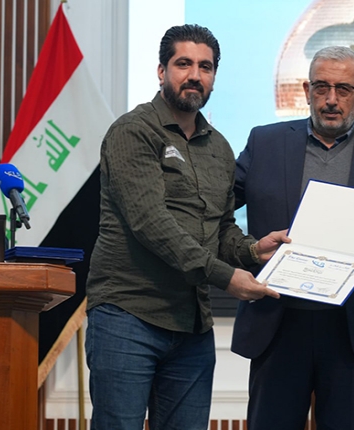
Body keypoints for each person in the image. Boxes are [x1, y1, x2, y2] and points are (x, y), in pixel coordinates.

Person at [85, 24, 288, 430]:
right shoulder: (133, 131)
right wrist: (227, 277)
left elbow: (221, 228)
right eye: (183, 64)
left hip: (192, 326)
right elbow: (151, 223)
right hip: (128, 316)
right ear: (162, 71)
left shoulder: (220, 148)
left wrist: (253, 250)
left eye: (205, 67)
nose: (195, 75)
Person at [231, 46, 354, 430]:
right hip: (278, 322)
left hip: (353, 327)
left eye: (343, 89)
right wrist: (244, 251)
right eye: (321, 87)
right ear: (306, 90)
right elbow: (219, 206)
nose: (330, 100)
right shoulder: (265, 142)